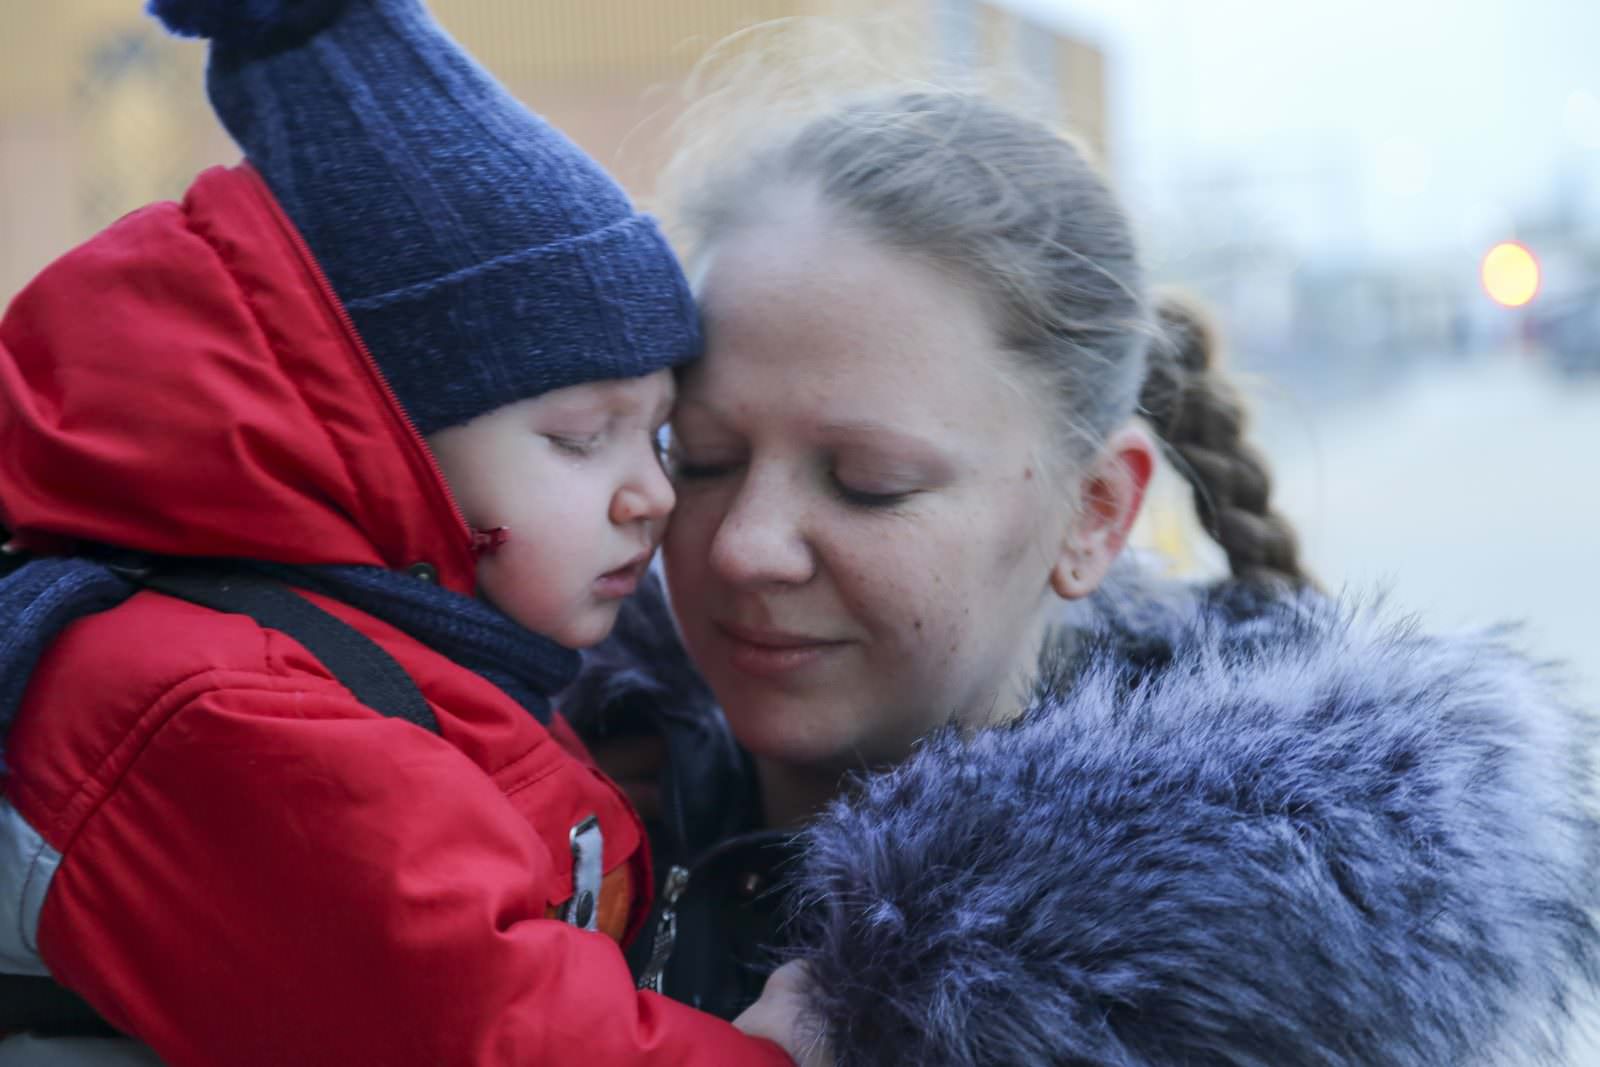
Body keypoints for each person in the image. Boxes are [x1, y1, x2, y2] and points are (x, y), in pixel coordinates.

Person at [569, 86, 1600, 1065]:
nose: (746, 544)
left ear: (1094, 514)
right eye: (699, 459)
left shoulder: (1236, 995)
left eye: (867, 483)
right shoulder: (516, 793)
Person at [0, 1, 796, 1064]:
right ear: (368, 434)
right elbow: (486, 1032)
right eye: (576, 437)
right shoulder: (228, 711)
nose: (647, 492)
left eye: (658, 437)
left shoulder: (382, 652)